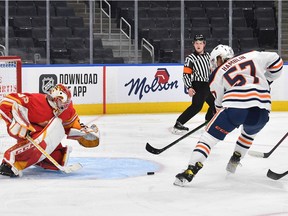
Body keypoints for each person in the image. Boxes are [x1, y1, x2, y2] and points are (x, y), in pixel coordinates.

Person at [174, 44, 283, 186]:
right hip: (263, 110)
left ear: (219, 59)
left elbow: (219, 105)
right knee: (249, 133)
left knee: (208, 138)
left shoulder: (216, 75)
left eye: (214, 61)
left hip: (235, 108)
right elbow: (276, 61)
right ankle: (236, 158)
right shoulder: (252, 55)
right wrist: (268, 79)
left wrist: (217, 114)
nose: (213, 65)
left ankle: (190, 170)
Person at [0, 83, 100, 177]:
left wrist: (82, 132)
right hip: (23, 129)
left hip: (41, 132)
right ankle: (9, 163)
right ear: (54, 98)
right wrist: (13, 121)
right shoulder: (35, 101)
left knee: (57, 158)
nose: (64, 106)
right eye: (61, 102)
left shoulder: (66, 109)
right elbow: (6, 102)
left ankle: (39, 160)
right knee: (42, 140)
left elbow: (71, 125)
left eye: (66, 103)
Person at [172, 34, 215, 134]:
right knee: (196, 106)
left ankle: (208, 121)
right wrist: (189, 87)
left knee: (214, 104)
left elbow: (213, 69)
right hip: (198, 85)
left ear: (204, 44)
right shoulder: (190, 58)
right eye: (196, 43)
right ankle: (179, 122)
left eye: (200, 43)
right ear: (193, 44)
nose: (198, 45)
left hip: (209, 85)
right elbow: (186, 74)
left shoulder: (209, 56)